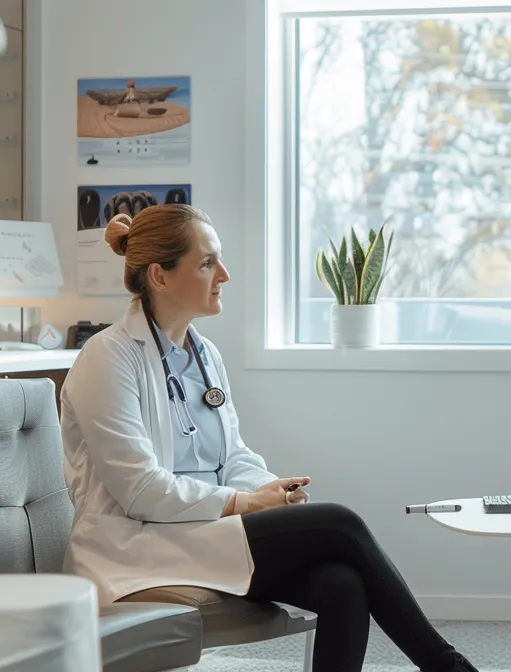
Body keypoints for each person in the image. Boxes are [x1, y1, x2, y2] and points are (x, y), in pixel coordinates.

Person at [58, 204, 477, 672]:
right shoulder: (107, 359)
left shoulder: (204, 354)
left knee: (341, 583)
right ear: (159, 276)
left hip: (202, 531)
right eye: (206, 263)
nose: (225, 274)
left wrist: (268, 491)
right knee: (338, 522)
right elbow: (139, 492)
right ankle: (449, 667)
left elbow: (233, 453)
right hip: (137, 544)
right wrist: (244, 505)